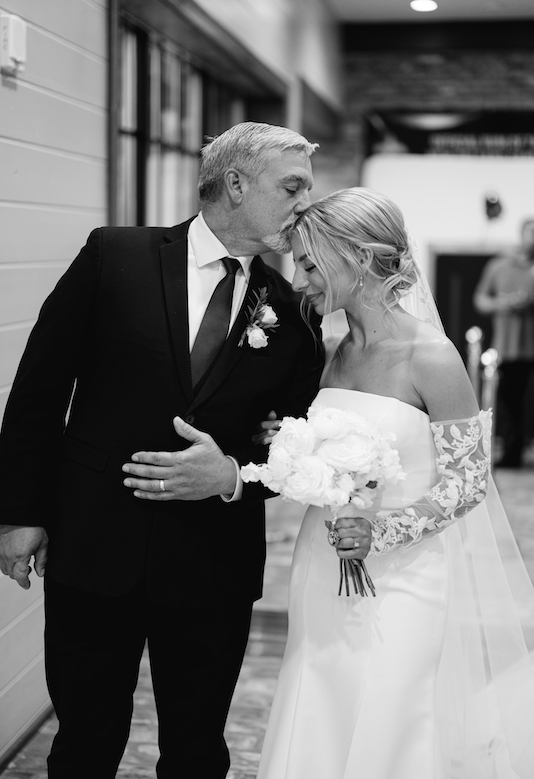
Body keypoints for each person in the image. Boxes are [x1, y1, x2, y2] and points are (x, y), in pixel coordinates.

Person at [0, 122, 324, 779]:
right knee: (85, 742)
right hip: (95, 544)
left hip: (212, 562)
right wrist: (18, 512)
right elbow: (39, 387)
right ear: (236, 182)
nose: (304, 205)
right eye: (292, 186)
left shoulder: (292, 313)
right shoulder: (114, 254)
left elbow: (298, 446)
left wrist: (233, 476)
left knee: (196, 750)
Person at [255, 187, 534, 779]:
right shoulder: (334, 348)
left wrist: (380, 532)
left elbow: (468, 483)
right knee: (320, 700)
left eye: (309, 264)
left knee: (390, 712)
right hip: (322, 561)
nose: (300, 281)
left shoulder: (430, 356)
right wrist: (291, 444)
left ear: (354, 259)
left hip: (404, 576)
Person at [473, 218, 534, 467]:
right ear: (522, 234)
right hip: (508, 347)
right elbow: (480, 300)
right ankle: (510, 454)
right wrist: (505, 303)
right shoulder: (499, 265)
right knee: (508, 402)